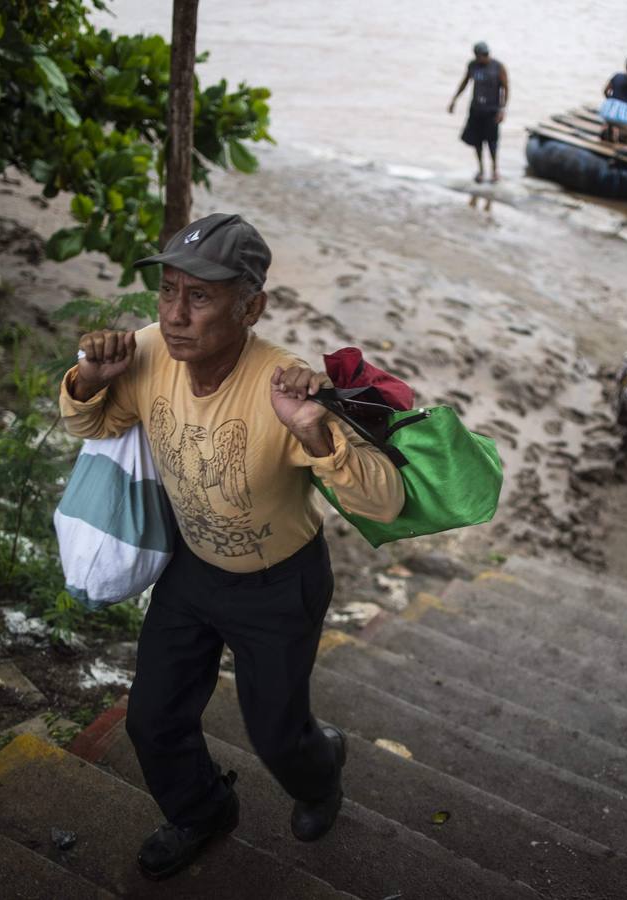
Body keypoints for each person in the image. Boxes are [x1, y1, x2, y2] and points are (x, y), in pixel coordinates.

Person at [60, 213, 405, 879]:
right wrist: (89, 379)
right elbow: (92, 423)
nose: (176, 314)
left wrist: (312, 431)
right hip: (191, 572)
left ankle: (320, 771)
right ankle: (202, 811)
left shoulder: (284, 386)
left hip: (280, 586)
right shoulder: (150, 352)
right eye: (168, 291)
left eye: (200, 296)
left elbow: (382, 501)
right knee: (152, 718)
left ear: (252, 307)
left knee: (276, 734)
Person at [448, 41, 509, 183]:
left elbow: (505, 89)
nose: (485, 57)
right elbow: (465, 82)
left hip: (492, 110)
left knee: (492, 142)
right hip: (476, 110)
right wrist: (454, 100)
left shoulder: (498, 67)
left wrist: (502, 109)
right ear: (476, 56)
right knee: (477, 141)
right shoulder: (473, 66)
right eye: (482, 55)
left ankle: (495, 171)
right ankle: (481, 170)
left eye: (486, 55)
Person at [599, 56, 627, 143]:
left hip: (609, 110)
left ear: (626, 66)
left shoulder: (617, 76)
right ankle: (616, 133)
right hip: (625, 114)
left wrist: (610, 101)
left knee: (611, 122)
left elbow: (605, 91)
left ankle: (609, 128)